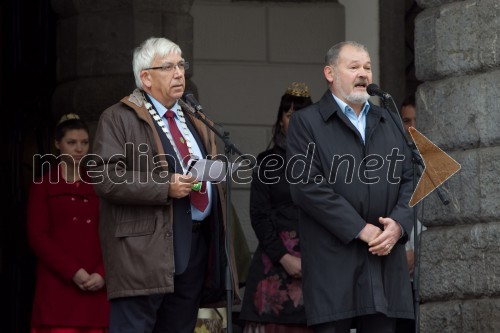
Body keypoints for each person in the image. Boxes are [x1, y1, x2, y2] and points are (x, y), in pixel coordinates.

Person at [90, 37, 238, 333]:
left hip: (194, 247)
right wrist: (163, 186)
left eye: (181, 65)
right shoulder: (119, 117)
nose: (179, 73)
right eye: (168, 67)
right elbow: (105, 177)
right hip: (143, 252)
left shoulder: (194, 117)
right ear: (145, 77)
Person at [286, 41, 415, 333]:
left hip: (384, 261)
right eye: (353, 66)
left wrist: (399, 224)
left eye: (367, 67)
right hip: (334, 263)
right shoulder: (307, 123)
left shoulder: (390, 120)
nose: (363, 74)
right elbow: (306, 186)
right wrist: (362, 229)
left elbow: (410, 179)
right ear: (330, 73)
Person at [240, 82, 314, 333]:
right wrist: (284, 258)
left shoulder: (328, 162)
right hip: (274, 264)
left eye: (302, 116)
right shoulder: (267, 162)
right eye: (289, 114)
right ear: (281, 120)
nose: (295, 121)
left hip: (318, 264)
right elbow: (258, 215)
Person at [27, 114, 109, 332]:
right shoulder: (43, 185)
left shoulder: (98, 185)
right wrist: (73, 271)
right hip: (58, 288)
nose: (79, 149)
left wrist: (103, 273)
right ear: (57, 144)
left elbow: (111, 232)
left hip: (96, 288)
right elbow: (37, 236)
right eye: (72, 143)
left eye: (84, 143)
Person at [395, 94, 427, 333]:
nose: (412, 126)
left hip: (429, 268)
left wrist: (420, 253)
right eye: (407, 120)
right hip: (399, 269)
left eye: (417, 120)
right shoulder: (389, 162)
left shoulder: (439, 161)